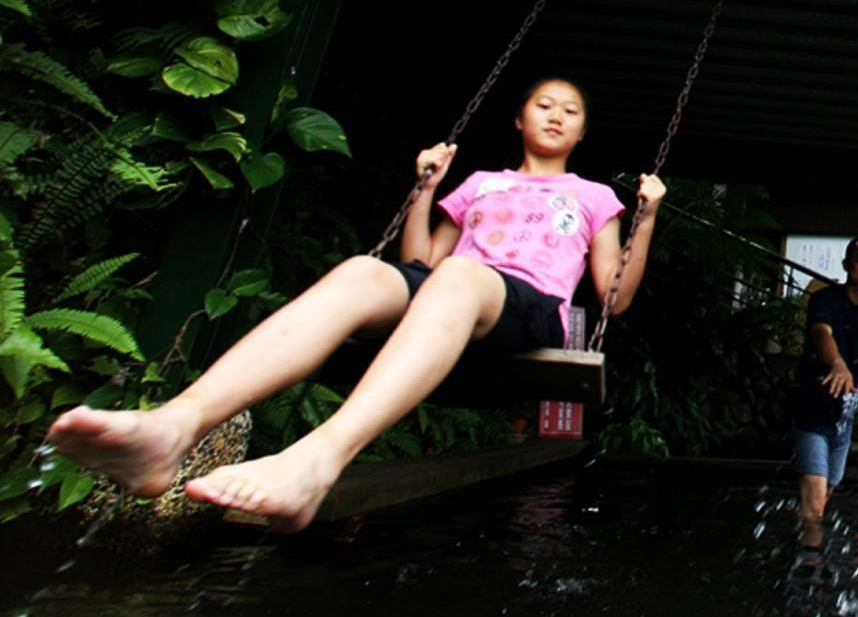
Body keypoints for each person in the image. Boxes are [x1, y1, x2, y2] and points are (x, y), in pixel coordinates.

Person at [47, 77, 665, 532]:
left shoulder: (590, 197)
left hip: (526, 311)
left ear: (582, 131)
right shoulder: (481, 183)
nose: (556, 115)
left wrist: (648, 215)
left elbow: (617, 291)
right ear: (519, 117)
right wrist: (426, 188)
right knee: (363, 272)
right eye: (544, 104)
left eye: (571, 110)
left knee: (461, 277)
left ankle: (317, 460)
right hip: (454, 290)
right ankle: (172, 427)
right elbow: (421, 262)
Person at [788, 237, 858, 564]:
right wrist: (838, 364)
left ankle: (799, 543)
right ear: (845, 265)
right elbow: (820, 333)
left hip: (844, 420)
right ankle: (810, 563)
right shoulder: (826, 299)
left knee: (823, 496)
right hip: (812, 412)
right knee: (814, 497)